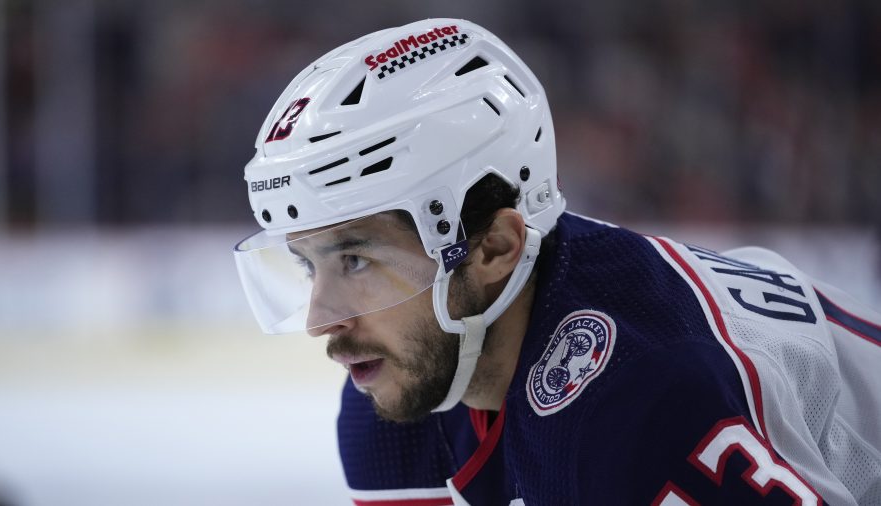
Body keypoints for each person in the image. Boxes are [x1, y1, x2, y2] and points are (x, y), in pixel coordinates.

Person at [233, 18, 881, 505]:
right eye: (307, 264)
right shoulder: (406, 395)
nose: (321, 320)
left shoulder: (638, 404)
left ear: (494, 247)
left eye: (354, 259)